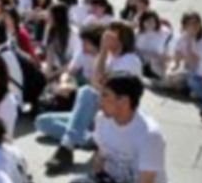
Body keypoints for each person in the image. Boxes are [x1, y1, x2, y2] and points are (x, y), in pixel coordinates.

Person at [67, 72, 170, 183]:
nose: (99, 101)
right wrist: (96, 169)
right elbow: (101, 156)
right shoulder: (102, 119)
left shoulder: (149, 134)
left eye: (105, 95)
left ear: (124, 101)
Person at [37, 21, 143, 173]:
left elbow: (103, 87)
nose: (106, 38)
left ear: (121, 39)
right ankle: (91, 139)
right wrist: (104, 51)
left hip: (115, 113)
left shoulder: (130, 60)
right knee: (42, 122)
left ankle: (66, 147)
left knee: (87, 92)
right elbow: (95, 80)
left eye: (111, 34)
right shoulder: (110, 58)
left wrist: (104, 50)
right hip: (98, 113)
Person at [160, 11, 202, 92]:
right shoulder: (182, 37)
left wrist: (189, 42)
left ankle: (187, 88)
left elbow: (194, 61)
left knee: (172, 80)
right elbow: (176, 59)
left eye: (196, 23)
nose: (194, 26)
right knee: (166, 73)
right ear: (184, 26)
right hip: (185, 69)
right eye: (190, 24)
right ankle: (182, 87)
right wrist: (170, 70)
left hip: (199, 73)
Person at [42, 4, 81, 81]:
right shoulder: (49, 29)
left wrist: (54, 74)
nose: (47, 18)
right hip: (55, 66)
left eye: (50, 16)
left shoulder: (73, 33)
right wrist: (48, 72)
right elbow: (50, 53)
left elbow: (75, 60)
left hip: (70, 69)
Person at [136, 10, 171, 79]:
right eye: (147, 21)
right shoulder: (139, 34)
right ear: (142, 22)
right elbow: (136, 51)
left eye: (152, 21)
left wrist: (165, 56)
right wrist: (151, 55)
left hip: (162, 61)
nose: (150, 24)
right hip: (145, 62)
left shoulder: (164, 32)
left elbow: (168, 47)